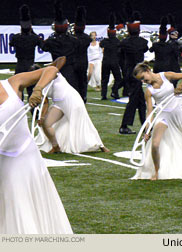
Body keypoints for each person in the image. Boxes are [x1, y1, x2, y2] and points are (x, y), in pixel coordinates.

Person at [0, 58, 73, 234]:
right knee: (13, 204)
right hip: (4, 159)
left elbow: (51, 70)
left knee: (30, 202)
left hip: (26, 154)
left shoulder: (12, 82)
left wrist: (38, 89)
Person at [33, 57, 109, 154]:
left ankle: (101, 145)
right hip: (58, 103)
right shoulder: (38, 85)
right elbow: (45, 102)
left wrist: (51, 67)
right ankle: (55, 146)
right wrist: (42, 117)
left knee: (83, 123)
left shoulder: (52, 73)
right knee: (46, 124)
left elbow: (62, 59)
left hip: (71, 99)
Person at [119, 7, 148, 134]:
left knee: (141, 101)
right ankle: (124, 125)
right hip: (139, 73)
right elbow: (145, 49)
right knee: (134, 101)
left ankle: (145, 124)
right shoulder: (143, 42)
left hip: (129, 72)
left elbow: (120, 55)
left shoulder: (124, 42)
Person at [41, 1, 79, 93]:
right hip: (70, 70)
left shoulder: (51, 41)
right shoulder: (73, 40)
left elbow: (44, 47)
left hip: (56, 70)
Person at [9, 4, 42, 101]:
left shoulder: (16, 37)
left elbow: (11, 44)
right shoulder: (34, 38)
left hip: (19, 66)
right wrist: (33, 32)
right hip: (30, 66)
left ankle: (18, 110)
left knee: (18, 91)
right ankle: (35, 115)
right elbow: (43, 46)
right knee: (31, 91)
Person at [100, 12, 123, 100]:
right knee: (118, 78)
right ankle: (115, 91)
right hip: (114, 62)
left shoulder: (105, 41)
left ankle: (103, 95)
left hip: (105, 61)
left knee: (104, 79)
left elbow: (101, 45)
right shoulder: (117, 41)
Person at [73, 6, 92, 103]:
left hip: (74, 62)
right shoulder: (87, 38)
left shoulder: (72, 38)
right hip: (83, 62)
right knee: (82, 81)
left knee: (74, 80)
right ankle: (83, 96)